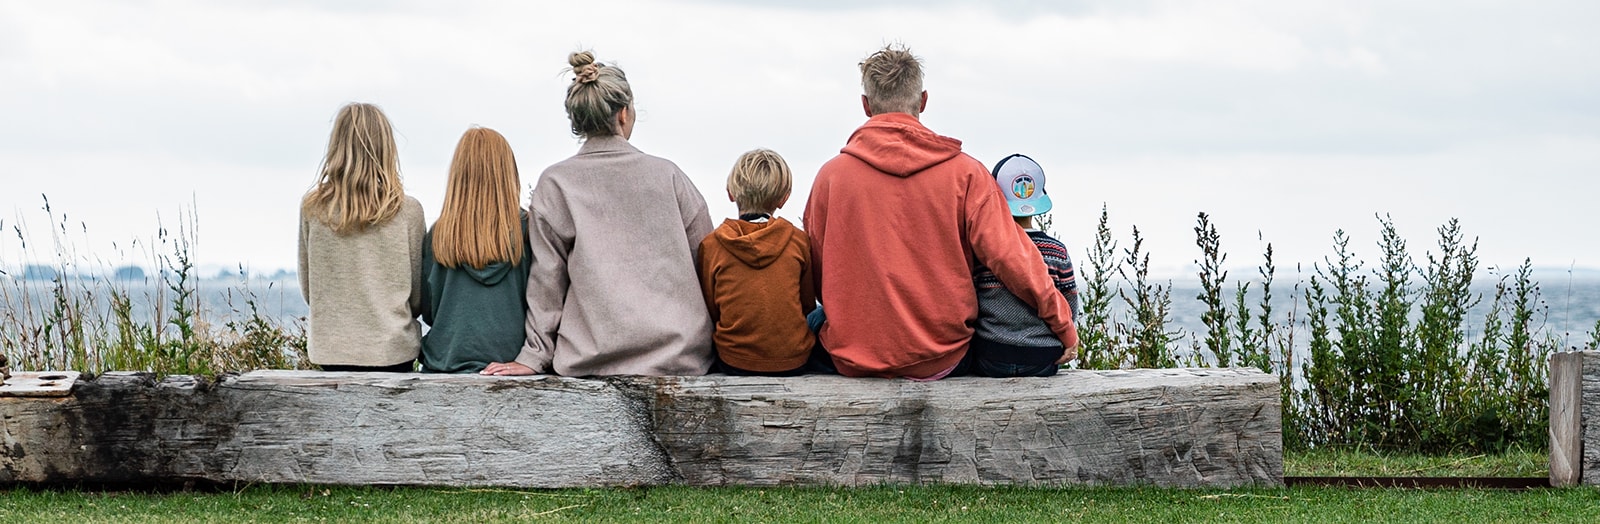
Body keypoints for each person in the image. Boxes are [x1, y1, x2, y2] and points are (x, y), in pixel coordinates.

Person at [802, 44, 1078, 380]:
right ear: (923, 101)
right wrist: (1062, 324)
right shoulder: (967, 174)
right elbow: (1014, 260)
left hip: (852, 358)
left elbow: (816, 274)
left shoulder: (830, 177)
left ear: (865, 105)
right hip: (944, 358)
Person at [482, 51, 714, 377]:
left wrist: (533, 357)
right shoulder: (669, 176)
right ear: (623, 113)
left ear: (577, 120)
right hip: (679, 357)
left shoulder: (556, 183)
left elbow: (546, 281)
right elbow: (708, 262)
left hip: (590, 361)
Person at [298, 102, 425, 372]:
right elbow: (417, 298)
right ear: (386, 147)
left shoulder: (313, 208)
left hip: (331, 351)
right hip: (393, 351)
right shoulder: (408, 211)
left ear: (337, 147)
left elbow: (310, 290)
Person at [419, 127, 533, 373]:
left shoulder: (438, 235)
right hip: (513, 365)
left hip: (444, 366)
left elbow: (428, 311)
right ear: (508, 173)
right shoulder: (529, 230)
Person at [696, 149, 817, 376]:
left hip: (733, 360)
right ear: (784, 199)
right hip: (793, 361)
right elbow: (807, 304)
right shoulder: (799, 241)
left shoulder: (711, 245)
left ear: (730, 193)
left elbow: (711, 309)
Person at [970, 153, 1084, 377]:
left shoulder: (983, 251)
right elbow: (1069, 308)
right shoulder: (1057, 251)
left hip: (991, 358)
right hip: (1043, 359)